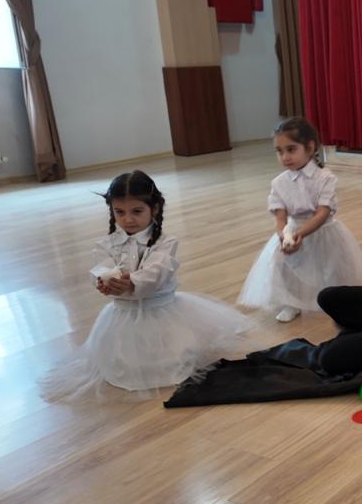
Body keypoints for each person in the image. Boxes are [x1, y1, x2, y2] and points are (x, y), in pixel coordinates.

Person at [40, 171, 253, 402]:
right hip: (123, 313)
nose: (128, 219)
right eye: (120, 212)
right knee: (124, 357)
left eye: (137, 211)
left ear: (155, 209)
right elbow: (101, 267)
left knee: (169, 354)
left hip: (161, 310)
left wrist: (132, 282)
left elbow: (157, 271)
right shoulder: (107, 244)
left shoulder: (165, 243)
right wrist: (103, 282)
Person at [238, 117, 362, 322]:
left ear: (310, 148)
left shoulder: (325, 178)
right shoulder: (278, 183)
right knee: (284, 267)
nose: (285, 157)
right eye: (279, 151)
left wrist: (300, 233)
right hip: (292, 231)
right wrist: (283, 235)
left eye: (291, 149)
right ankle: (293, 303)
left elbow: (322, 213)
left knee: (330, 268)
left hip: (324, 232)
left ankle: (338, 301)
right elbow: (280, 216)